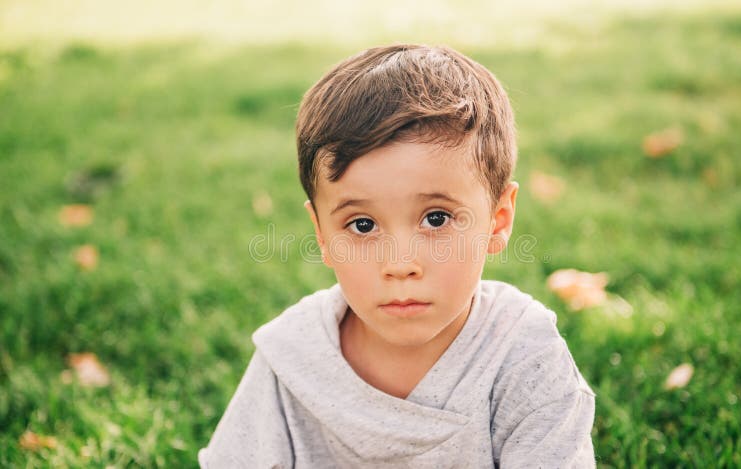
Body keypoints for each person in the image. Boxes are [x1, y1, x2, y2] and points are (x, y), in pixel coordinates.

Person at [199, 43, 596, 468]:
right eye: (363, 225)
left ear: (497, 220)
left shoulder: (523, 357)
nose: (400, 264)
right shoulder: (293, 356)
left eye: (437, 218)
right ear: (322, 233)